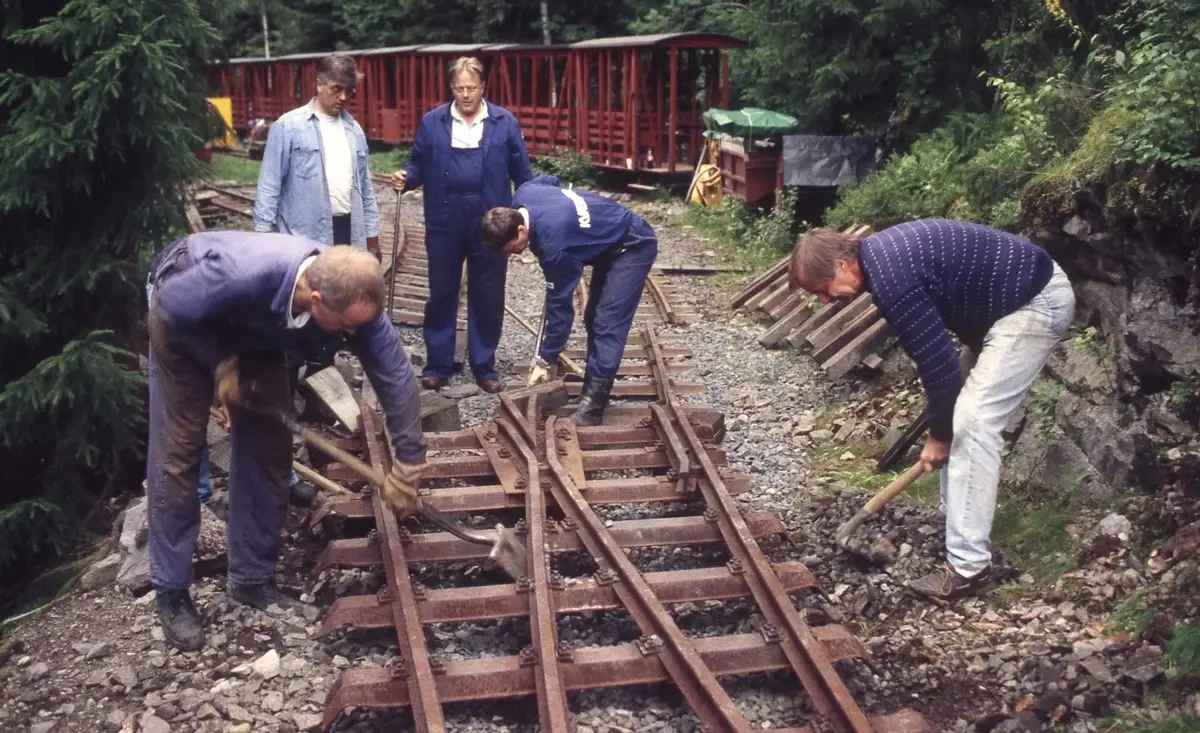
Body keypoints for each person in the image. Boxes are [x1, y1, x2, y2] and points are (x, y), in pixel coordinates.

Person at [146, 233, 428, 651]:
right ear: (315, 298)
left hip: (257, 328)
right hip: (186, 314)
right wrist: (222, 365)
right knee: (180, 453)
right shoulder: (239, 276)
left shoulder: (355, 297)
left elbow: (396, 377)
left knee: (268, 448)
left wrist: (409, 463)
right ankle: (170, 591)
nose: (354, 333)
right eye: (347, 324)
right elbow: (170, 308)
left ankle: (251, 579)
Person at [789, 219, 1076, 601]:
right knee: (959, 414)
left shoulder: (893, 277)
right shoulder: (882, 262)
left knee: (973, 422)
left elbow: (939, 372)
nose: (824, 301)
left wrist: (938, 439)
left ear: (841, 266)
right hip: (1007, 306)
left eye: (821, 290)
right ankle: (953, 520)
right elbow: (940, 372)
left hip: (1034, 302)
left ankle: (969, 567)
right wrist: (940, 430)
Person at [389, 56, 532, 394]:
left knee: (488, 293)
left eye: (472, 88)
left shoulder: (504, 123)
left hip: (492, 223)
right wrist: (406, 177)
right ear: (452, 88)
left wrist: (526, 213)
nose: (466, 95)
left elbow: (523, 175)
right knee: (442, 293)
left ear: (483, 87)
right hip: (444, 219)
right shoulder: (432, 122)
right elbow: (417, 165)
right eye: (459, 88)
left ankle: (484, 366)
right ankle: (438, 365)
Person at [480, 175, 658, 426]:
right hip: (607, 236)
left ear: (521, 229)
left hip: (633, 244)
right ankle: (592, 388)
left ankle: (593, 407)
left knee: (607, 322)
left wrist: (546, 358)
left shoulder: (555, 247)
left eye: (511, 247)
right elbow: (551, 180)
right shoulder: (526, 193)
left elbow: (560, 308)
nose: (509, 255)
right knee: (593, 317)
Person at [253, 54, 381, 258]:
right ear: (319, 85)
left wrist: (372, 238)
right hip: (301, 239)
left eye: (349, 90)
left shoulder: (354, 131)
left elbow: (365, 188)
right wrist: (262, 235)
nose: (344, 97)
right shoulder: (288, 127)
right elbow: (269, 185)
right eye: (337, 89)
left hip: (347, 233)